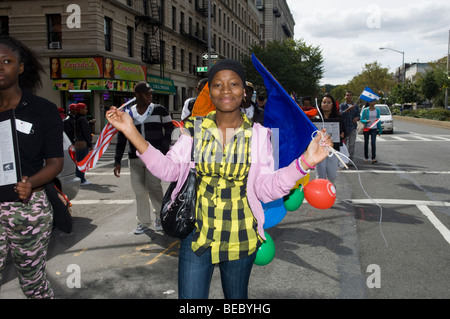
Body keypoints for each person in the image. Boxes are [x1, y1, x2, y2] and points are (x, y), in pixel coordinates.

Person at [106, 59, 333, 299]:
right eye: (218, 85)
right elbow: (169, 170)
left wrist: (304, 163)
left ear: (244, 92)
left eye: (233, 84)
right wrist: (130, 130)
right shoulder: (194, 129)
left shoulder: (258, 135)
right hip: (197, 236)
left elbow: (265, 189)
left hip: (241, 237)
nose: (226, 90)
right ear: (210, 92)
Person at [0, 35, 64, 298]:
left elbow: (55, 163)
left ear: (21, 67)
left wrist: (31, 183)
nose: (0, 67)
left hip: (27, 209)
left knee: (32, 284)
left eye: (7, 61)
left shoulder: (42, 110)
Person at [114, 81, 175, 234]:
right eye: (146, 93)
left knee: (154, 188)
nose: (150, 96)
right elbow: (122, 137)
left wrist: (162, 148)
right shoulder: (129, 113)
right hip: (134, 157)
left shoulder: (159, 110)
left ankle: (161, 217)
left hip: (154, 157)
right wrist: (117, 160)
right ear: (137, 95)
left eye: (150, 93)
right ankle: (143, 221)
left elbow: (169, 129)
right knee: (139, 191)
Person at [313, 93, 345, 186]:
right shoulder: (315, 119)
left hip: (333, 150)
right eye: (324, 102)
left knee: (332, 175)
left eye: (328, 102)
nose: (326, 104)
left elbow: (344, 132)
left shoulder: (338, 118)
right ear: (321, 104)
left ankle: (331, 190)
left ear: (333, 104)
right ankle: (320, 195)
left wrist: (342, 134)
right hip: (319, 150)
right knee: (320, 175)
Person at [74, 102, 93, 186]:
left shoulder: (76, 118)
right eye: (85, 108)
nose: (86, 110)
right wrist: (90, 144)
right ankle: (81, 179)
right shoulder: (82, 119)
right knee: (82, 162)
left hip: (77, 142)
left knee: (79, 161)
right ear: (80, 109)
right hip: (82, 143)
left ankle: (79, 178)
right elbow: (86, 132)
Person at [339, 91, 360, 161]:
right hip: (344, 128)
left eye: (350, 95)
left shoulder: (356, 106)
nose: (349, 97)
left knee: (352, 144)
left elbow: (358, 115)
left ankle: (350, 158)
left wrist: (357, 118)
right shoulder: (342, 105)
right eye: (347, 95)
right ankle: (343, 158)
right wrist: (347, 110)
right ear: (345, 97)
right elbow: (340, 114)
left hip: (352, 127)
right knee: (343, 144)